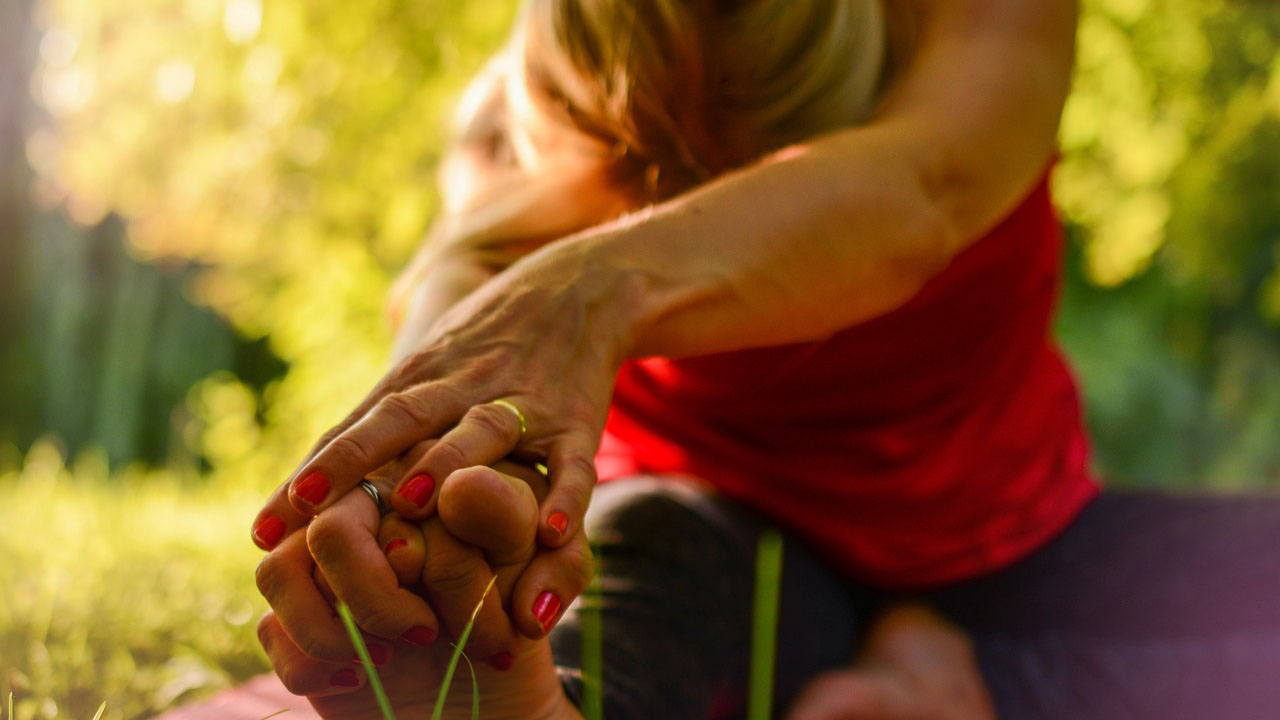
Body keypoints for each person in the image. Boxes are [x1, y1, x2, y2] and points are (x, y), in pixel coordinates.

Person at [243, 0, 1280, 718]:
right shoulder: (515, 124)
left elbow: (922, 192)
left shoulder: (983, 32)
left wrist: (588, 283)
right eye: (654, 178)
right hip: (717, 531)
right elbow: (452, 311)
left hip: (1017, 546)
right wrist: (409, 523)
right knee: (640, 574)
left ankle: (972, 681)